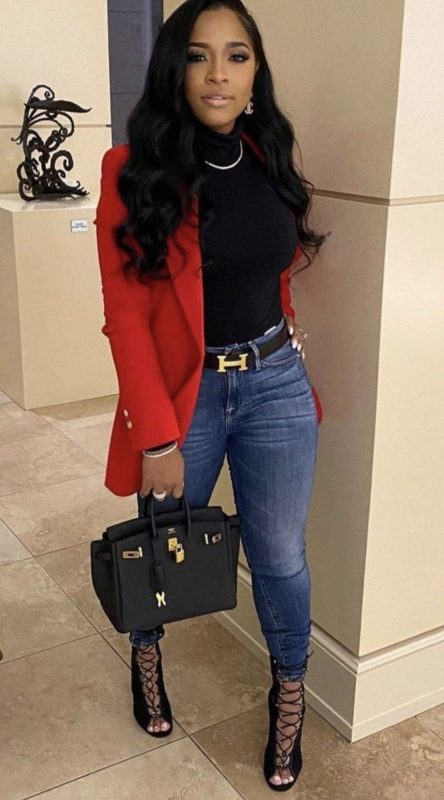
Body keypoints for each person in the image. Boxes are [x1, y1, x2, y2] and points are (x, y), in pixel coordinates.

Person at [94, 0, 328, 790]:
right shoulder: (132, 169)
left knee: (281, 556)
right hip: (182, 399)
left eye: (237, 55)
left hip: (275, 385)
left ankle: (288, 694)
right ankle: (147, 659)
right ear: (176, 68)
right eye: (199, 55)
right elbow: (126, 316)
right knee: (160, 543)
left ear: (256, 71)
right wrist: (156, 435)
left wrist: (285, 343)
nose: (218, 74)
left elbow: (272, 266)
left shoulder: (271, 153)